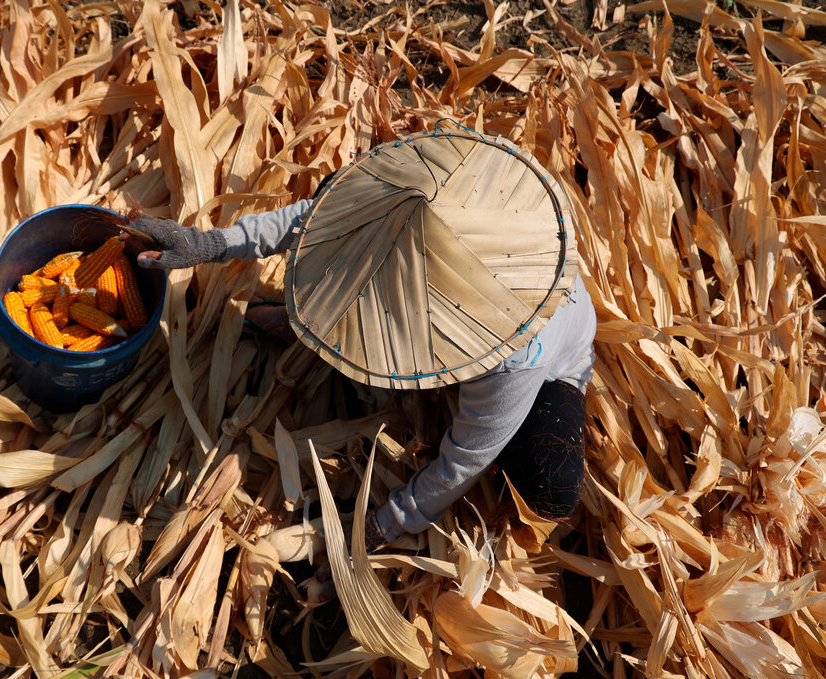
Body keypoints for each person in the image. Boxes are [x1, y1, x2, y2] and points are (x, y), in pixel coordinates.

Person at [121, 131, 596, 553]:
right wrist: (213, 244)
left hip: (553, 369)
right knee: (339, 308)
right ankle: (303, 325)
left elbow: (465, 461)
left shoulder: (514, 359)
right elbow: (315, 221)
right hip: (474, 308)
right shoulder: (422, 193)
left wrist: (381, 527)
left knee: (551, 487)